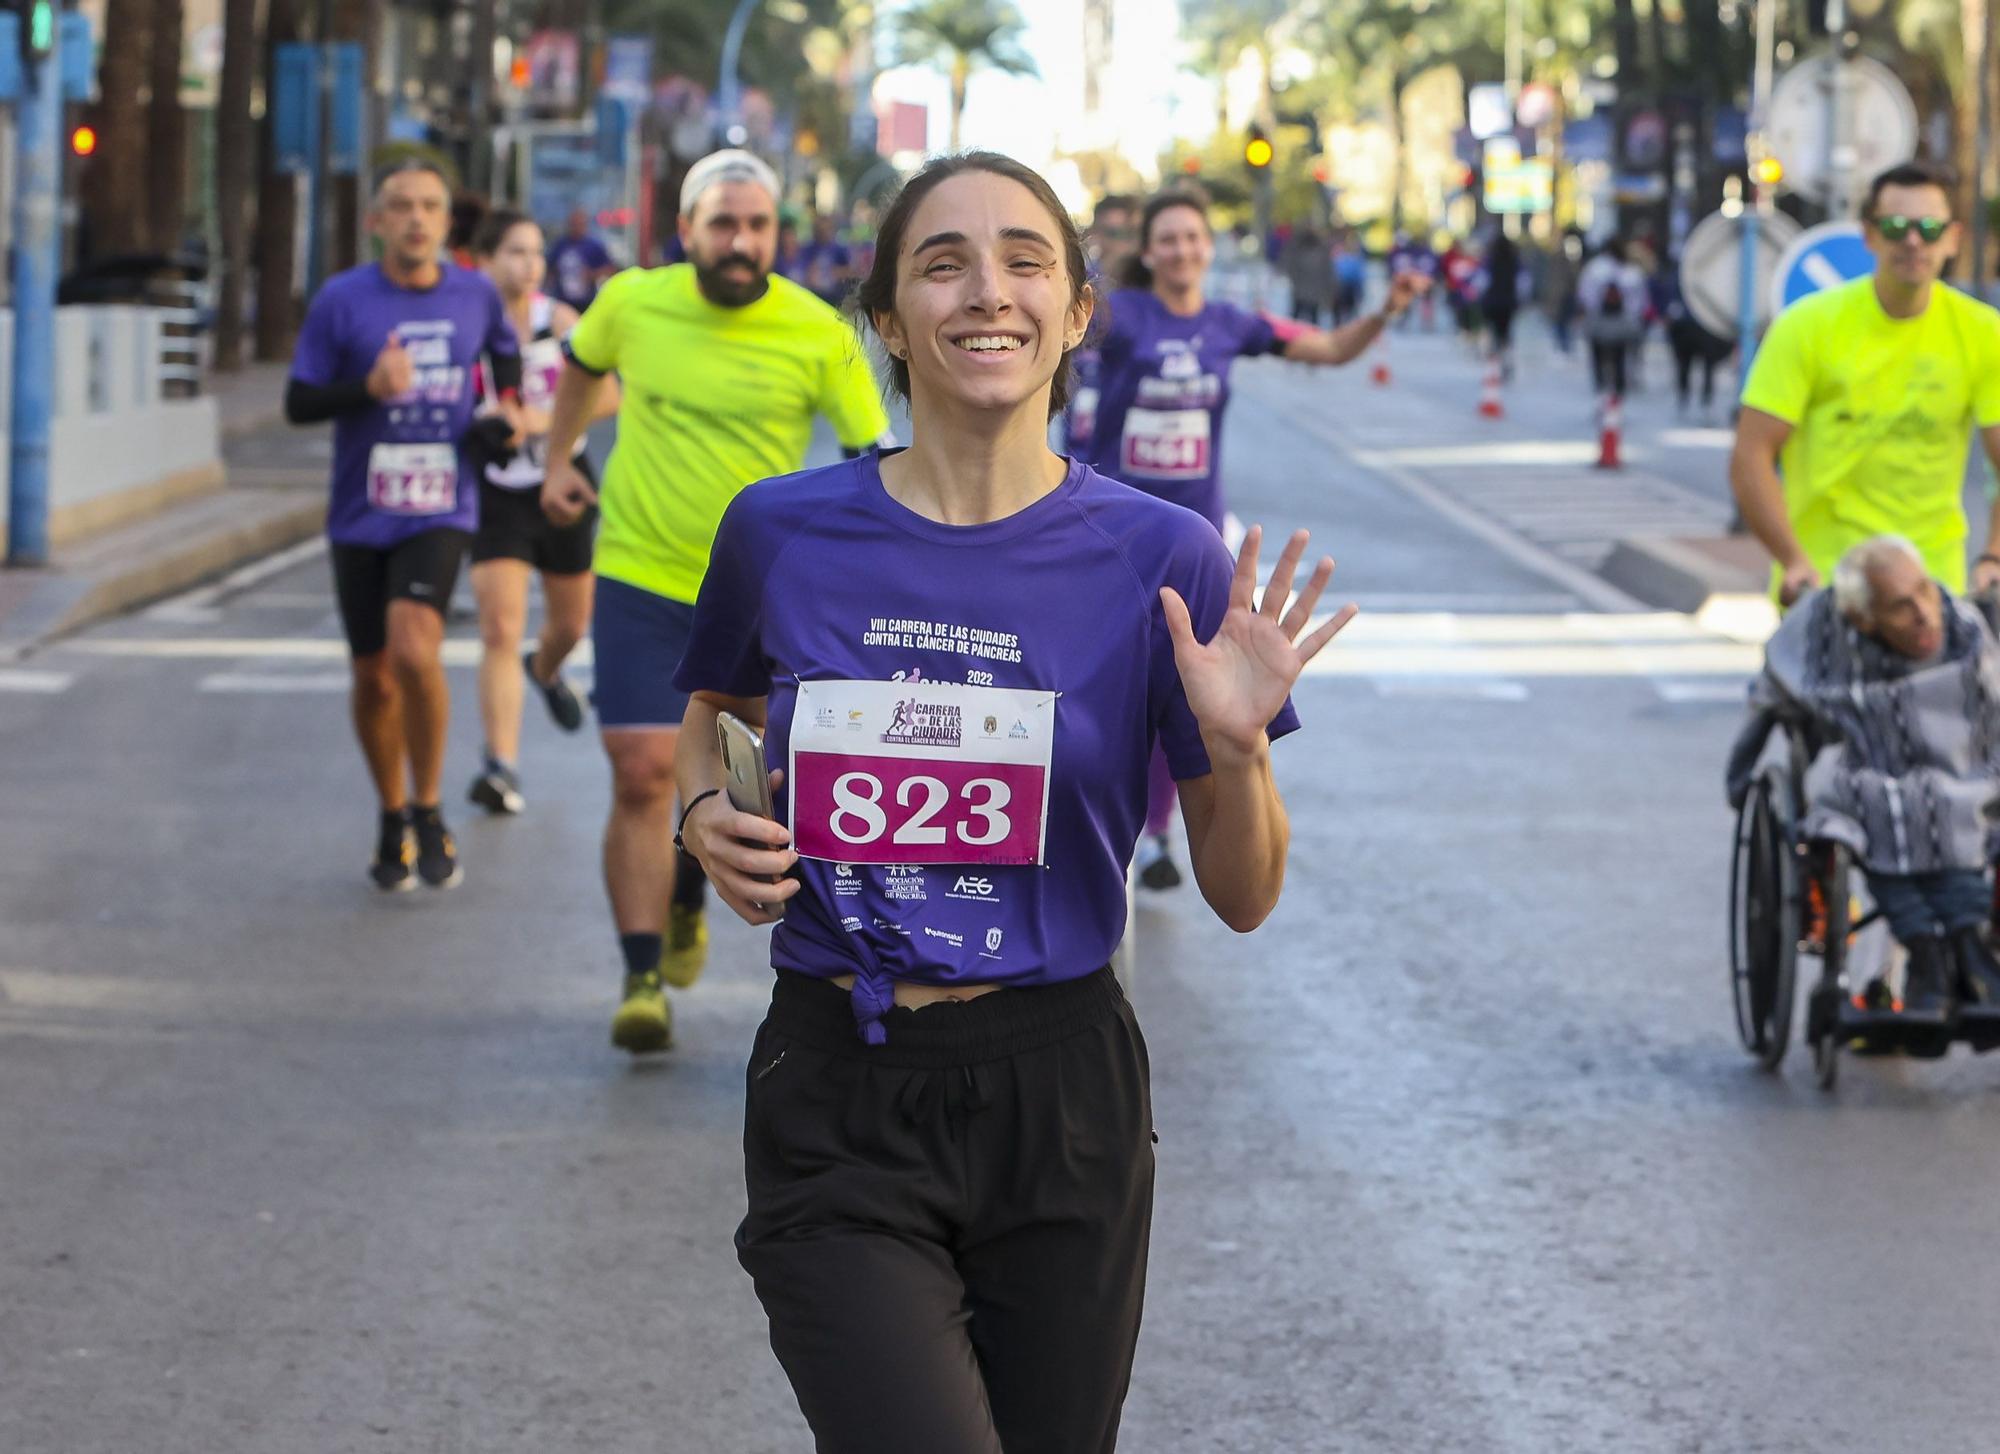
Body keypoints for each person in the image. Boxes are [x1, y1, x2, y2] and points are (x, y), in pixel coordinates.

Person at [670, 148, 1351, 1454]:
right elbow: (714, 721)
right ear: (887, 319)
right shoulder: (780, 531)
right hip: (838, 1083)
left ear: (1080, 311)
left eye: (1026, 260)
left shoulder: (1164, 560)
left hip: (1063, 1095)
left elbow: (1247, 895)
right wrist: (702, 815)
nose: (990, 291)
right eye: (944, 262)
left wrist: (1239, 747)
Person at [538, 149, 892, 1055]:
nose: (740, 241)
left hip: (759, 597)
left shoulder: (816, 330)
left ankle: (688, 873)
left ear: (777, 234)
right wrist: (558, 458)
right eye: (722, 223)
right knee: (640, 769)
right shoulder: (632, 303)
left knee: (759, 792)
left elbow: (872, 457)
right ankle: (642, 974)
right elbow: (579, 366)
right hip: (641, 572)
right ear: (687, 229)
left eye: (757, 226)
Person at [1082, 187, 1424, 888]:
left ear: (1209, 247)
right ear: (1149, 253)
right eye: (1167, 239)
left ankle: (1155, 835)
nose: (1181, 249)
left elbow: (1325, 349)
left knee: (1184, 687)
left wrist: (1386, 310)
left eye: (1192, 237)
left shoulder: (1230, 323)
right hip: (1111, 532)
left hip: (1193, 540)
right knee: (1108, 685)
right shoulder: (1120, 315)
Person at [284, 160, 523, 891]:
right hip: (361, 512)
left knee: (415, 646)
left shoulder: (475, 294)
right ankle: (390, 811)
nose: (417, 218)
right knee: (373, 677)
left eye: (429, 206)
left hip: (442, 503)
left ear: (448, 222)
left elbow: (505, 358)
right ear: (377, 221)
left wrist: (506, 411)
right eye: (401, 207)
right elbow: (299, 403)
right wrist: (368, 388)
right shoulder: (342, 300)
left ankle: (427, 805)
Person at [1738, 535, 2000, 1031]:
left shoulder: (1964, 627)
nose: (1925, 613)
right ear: (1863, 619)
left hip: (1964, 766)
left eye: (1924, 592)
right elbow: (1769, 698)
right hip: (1870, 770)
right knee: (1879, 804)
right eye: (1902, 606)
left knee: (1951, 799)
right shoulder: (1824, 636)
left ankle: (1969, 950)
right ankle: (1927, 952)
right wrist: (1739, 776)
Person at [1733, 160, 2000, 606]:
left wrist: (1993, 556)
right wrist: (1792, 559)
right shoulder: (1807, 327)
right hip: (1825, 588)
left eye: (1929, 228)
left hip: (1931, 594)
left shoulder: (1983, 333)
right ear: (1869, 235)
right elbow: (1750, 457)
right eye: (1895, 226)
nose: (1912, 241)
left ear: (1952, 238)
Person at [462, 208, 620, 815]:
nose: (528, 266)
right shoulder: (466, 323)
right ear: (484, 260)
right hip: (498, 488)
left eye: (535, 254)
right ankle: (500, 766)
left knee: (570, 626)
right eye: (514, 253)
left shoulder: (561, 322)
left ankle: (547, 669)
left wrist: (533, 420)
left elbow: (609, 395)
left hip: (562, 480)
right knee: (499, 627)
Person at [1062, 192, 1142, 456]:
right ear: (1096, 233)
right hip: (1083, 410)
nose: (1122, 244)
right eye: (1112, 233)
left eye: (1129, 234)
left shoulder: (1148, 291)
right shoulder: (1077, 283)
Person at [1657, 250, 1732, 421]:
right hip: (1688, 327)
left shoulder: (1692, 274)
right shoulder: (1686, 274)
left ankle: (1698, 402)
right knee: (1690, 366)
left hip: (1697, 326)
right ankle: (1691, 402)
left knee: (1700, 367)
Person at [1577, 237, 1645, 401]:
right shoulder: (1631, 271)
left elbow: (1584, 294)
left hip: (1599, 322)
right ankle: (1617, 402)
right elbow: (1640, 300)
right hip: (1622, 324)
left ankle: (1601, 396)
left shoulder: (1595, 268)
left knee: (1598, 360)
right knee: (1620, 360)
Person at [546, 207, 615, 313]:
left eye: (579, 224)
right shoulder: (561, 244)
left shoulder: (594, 246)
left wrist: (592, 274)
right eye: (573, 224)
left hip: (586, 301)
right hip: (563, 300)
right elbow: (549, 268)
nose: (576, 227)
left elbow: (609, 269)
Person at [1480, 230, 1521, 379]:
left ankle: (1493, 365)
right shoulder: (1514, 260)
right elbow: (1523, 282)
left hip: (1492, 303)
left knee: (1492, 334)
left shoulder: (1490, 260)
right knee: (1506, 334)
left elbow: (1482, 281)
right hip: (1508, 303)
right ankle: (1506, 361)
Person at [794, 213, 855, 307]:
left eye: (825, 230)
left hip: (834, 297)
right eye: (819, 230)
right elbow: (800, 269)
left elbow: (850, 271)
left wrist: (836, 273)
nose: (823, 233)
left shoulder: (839, 249)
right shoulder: (807, 249)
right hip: (812, 295)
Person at [1283, 223, 1335, 326]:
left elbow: (1290, 268)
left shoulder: (1299, 249)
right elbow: (1328, 273)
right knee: (1309, 321)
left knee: (1297, 320)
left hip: (1303, 292)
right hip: (1309, 292)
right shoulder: (1319, 250)